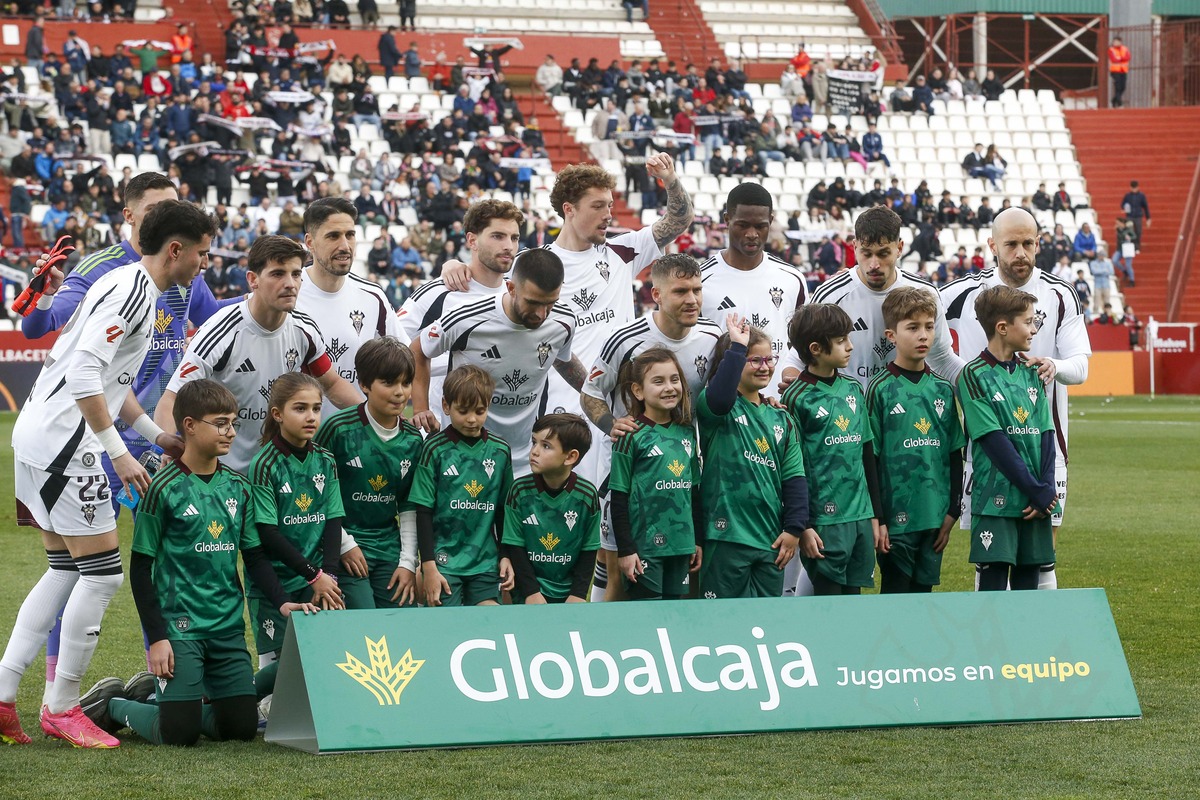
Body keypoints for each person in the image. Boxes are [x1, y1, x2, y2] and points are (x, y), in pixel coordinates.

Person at [0, 200, 215, 748]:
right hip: (66, 448)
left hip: (39, 436)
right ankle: (63, 706)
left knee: (64, 570)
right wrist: (118, 453)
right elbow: (84, 377)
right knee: (102, 575)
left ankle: (4, 699)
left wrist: (155, 436)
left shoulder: (122, 280)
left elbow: (111, 386)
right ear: (176, 250)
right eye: (202, 254)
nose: (204, 265)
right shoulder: (132, 293)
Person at [78, 380, 319, 746]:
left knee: (238, 730)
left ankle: (174, 699)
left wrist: (282, 599)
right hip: (180, 629)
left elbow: (253, 557)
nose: (231, 432)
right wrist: (158, 639)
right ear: (189, 426)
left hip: (226, 627)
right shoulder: (161, 488)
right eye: (221, 423)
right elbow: (142, 570)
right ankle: (112, 705)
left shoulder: (238, 487)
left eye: (234, 423)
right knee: (180, 734)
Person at [941, 207, 1091, 591]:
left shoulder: (1060, 294)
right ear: (993, 245)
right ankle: (994, 649)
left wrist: (1052, 366)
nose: (1021, 253)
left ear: (1038, 243)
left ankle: (1035, 648)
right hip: (987, 456)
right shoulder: (962, 293)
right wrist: (966, 378)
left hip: (1046, 449)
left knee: (1041, 559)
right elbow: (922, 332)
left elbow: (1081, 366)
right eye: (1011, 244)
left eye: (1028, 243)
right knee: (991, 561)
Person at [156, 235, 363, 474]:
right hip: (223, 475)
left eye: (296, 274)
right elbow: (171, 398)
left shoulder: (305, 330)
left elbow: (333, 383)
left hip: (277, 473)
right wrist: (166, 448)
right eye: (277, 274)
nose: (290, 283)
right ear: (253, 279)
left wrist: (374, 418)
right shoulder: (220, 331)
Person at [578, 253, 721, 600]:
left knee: (685, 578)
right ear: (656, 295)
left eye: (697, 291)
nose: (692, 300)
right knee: (619, 575)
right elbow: (590, 393)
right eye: (681, 291)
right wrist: (614, 425)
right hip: (628, 475)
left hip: (682, 469)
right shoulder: (625, 340)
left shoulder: (713, 337)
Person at [411, 248, 587, 471]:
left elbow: (562, 359)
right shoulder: (466, 318)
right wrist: (420, 408)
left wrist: (597, 394)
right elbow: (418, 350)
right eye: (533, 302)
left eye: (550, 303)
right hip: (463, 453)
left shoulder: (564, 320)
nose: (542, 314)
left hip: (526, 458)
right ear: (511, 288)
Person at [783, 205, 963, 391]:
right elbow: (798, 357)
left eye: (883, 253)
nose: (874, 264)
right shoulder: (831, 295)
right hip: (850, 413)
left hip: (906, 411)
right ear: (855, 247)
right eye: (866, 253)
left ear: (899, 248)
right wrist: (792, 381)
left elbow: (943, 359)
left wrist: (980, 383)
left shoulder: (924, 294)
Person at [696, 317, 807, 599]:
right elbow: (721, 397)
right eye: (755, 360)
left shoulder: (781, 417)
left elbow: (794, 477)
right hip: (725, 535)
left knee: (766, 624)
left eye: (770, 359)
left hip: (770, 538)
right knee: (722, 623)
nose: (765, 367)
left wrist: (794, 529)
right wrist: (736, 346)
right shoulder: (716, 407)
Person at [865, 288, 965, 593]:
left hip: (934, 516)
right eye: (912, 327)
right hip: (896, 518)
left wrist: (952, 511)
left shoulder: (943, 389)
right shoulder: (879, 390)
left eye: (929, 326)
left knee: (924, 596)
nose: (923, 335)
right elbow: (871, 458)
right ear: (891, 335)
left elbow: (954, 454)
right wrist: (878, 517)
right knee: (895, 594)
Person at [957, 285, 1057, 590]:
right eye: (1027, 322)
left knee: (1029, 586)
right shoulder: (973, 374)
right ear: (1002, 328)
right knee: (994, 589)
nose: (1033, 329)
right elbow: (994, 441)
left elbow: (1046, 432)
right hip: (995, 501)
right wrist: (1035, 489)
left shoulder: (1031, 371)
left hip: (1035, 498)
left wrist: (1046, 489)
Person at [312, 337, 424, 609]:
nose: (400, 392)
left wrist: (408, 563)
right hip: (343, 545)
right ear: (364, 385)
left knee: (401, 625)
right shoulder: (338, 429)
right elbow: (319, 495)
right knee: (365, 625)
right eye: (388, 383)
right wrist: (344, 545)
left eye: (406, 383)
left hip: (389, 549)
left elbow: (409, 505)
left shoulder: (413, 440)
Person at [247, 373, 346, 673]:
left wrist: (329, 576)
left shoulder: (326, 460)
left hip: (316, 576)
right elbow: (268, 533)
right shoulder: (264, 464)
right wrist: (314, 575)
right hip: (276, 581)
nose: (311, 416)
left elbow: (333, 520)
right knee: (277, 677)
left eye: (316, 408)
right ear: (277, 414)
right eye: (300, 408)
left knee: (321, 664)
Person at [781, 304, 882, 596]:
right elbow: (792, 467)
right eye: (840, 341)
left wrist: (874, 514)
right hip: (824, 520)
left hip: (859, 516)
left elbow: (866, 453)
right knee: (828, 604)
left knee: (853, 601)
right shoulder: (796, 397)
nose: (850, 347)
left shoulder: (853, 389)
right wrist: (804, 525)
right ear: (815, 348)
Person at [397, 200, 521, 428]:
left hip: (503, 429)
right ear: (472, 240)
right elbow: (393, 346)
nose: (509, 246)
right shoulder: (439, 292)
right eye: (497, 236)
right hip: (444, 427)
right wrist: (420, 407)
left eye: (514, 238)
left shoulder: (517, 296)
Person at [410, 365, 515, 607]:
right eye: (463, 410)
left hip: (485, 561)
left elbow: (503, 511)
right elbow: (423, 512)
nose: (471, 419)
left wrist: (505, 554)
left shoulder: (500, 451)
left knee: (490, 623)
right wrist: (428, 566)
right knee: (447, 627)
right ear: (446, 406)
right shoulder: (434, 449)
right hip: (443, 562)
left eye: (480, 411)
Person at [295, 197, 403, 419]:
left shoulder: (373, 297)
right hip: (298, 442)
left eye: (350, 235)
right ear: (310, 242)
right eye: (333, 236)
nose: (345, 246)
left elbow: (405, 356)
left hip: (356, 439)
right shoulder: (288, 296)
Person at [699, 183, 808, 398]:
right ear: (727, 220)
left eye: (760, 226)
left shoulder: (792, 279)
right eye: (742, 225)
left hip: (780, 410)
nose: (752, 234)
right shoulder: (700, 280)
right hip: (723, 414)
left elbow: (803, 344)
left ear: (771, 222)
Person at [609, 348, 701, 601]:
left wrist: (696, 540)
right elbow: (618, 498)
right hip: (645, 548)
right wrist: (626, 550)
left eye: (674, 379)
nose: (669, 387)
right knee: (647, 621)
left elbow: (693, 493)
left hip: (681, 546)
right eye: (658, 381)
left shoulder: (686, 433)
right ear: (638, 391)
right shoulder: (630, 435)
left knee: (673, 617)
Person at [501, 413, 601, 604]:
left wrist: (578, 594)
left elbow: (589, 551)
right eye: (534, 442)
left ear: (570, 456)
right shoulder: (519, 491)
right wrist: (531, 592)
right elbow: (515, 546)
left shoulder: (587, 495)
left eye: (545, 446)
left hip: (568, 594)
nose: (534, 452)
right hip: (527, 592)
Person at [1120, 180, 1150, 248]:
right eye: (1132, 188)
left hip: (1138, 216)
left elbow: (1145, 207)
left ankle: (1137, 246)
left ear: (1138, 187)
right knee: (1129, 231)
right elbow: (1122, 204)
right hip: (1130, 216)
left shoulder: (1141, 196)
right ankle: (1131, 246)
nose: (1134, 190)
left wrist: (1148, 218)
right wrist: (1124, 208)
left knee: (1138, 232)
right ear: (1130, 188)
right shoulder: (1127, 196)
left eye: (1135, 188)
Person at [1089, 246, 1114, 313]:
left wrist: (1100, 271)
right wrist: (1104, 271)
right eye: (1100, 255)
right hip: (1097, 285)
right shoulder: (1093, 263)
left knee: (1107, 300)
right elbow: (1094, 271)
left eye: (1103, 255)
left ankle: (1107, 313)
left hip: (1106, 284)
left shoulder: (1108, 263)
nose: (1102, 257)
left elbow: (1111, 272)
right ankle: (1095, 313)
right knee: (1097, 300)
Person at [1108, 37, 1130, 108]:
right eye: (1114, 42)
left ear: (1120, 42)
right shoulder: (1111, 50)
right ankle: (1119, 103)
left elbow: (1128, 57)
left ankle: (1114, 101)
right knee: (1118, 87)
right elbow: (1114, 59)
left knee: (1123, 87)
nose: (1115, 43)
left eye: (1117, 42)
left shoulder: (1125, 49)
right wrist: (1121, 58)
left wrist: (1119, 58)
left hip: (1123, 70)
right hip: (1115, 71)